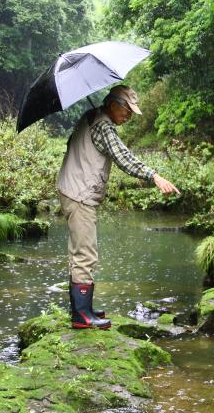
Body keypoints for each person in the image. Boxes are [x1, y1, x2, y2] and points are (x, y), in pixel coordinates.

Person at [57, 85, 180, 329]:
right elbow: (122, 157)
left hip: (71, 190)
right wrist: (154, 176)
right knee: (85, 253)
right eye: (127, 111)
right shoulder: (102, 125)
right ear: (114, 105)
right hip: (80, 194)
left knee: (78, 251)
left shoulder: (89, 117)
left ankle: (83, 309)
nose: (129, 116)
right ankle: (81, 316)